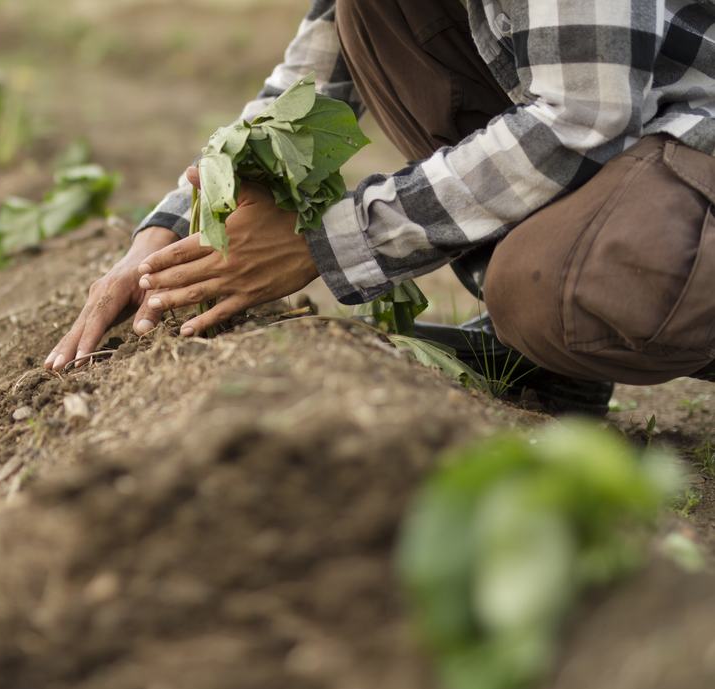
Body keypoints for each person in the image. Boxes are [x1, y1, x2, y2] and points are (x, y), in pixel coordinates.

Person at [45, 0, 715, 412]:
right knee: (370, 12)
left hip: (696, 137)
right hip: (642, 142)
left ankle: (578, 311)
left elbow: (582, 117)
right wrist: (169, 230)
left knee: (548, 291)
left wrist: (322, 243)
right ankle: (550, 365)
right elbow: (306, 85)